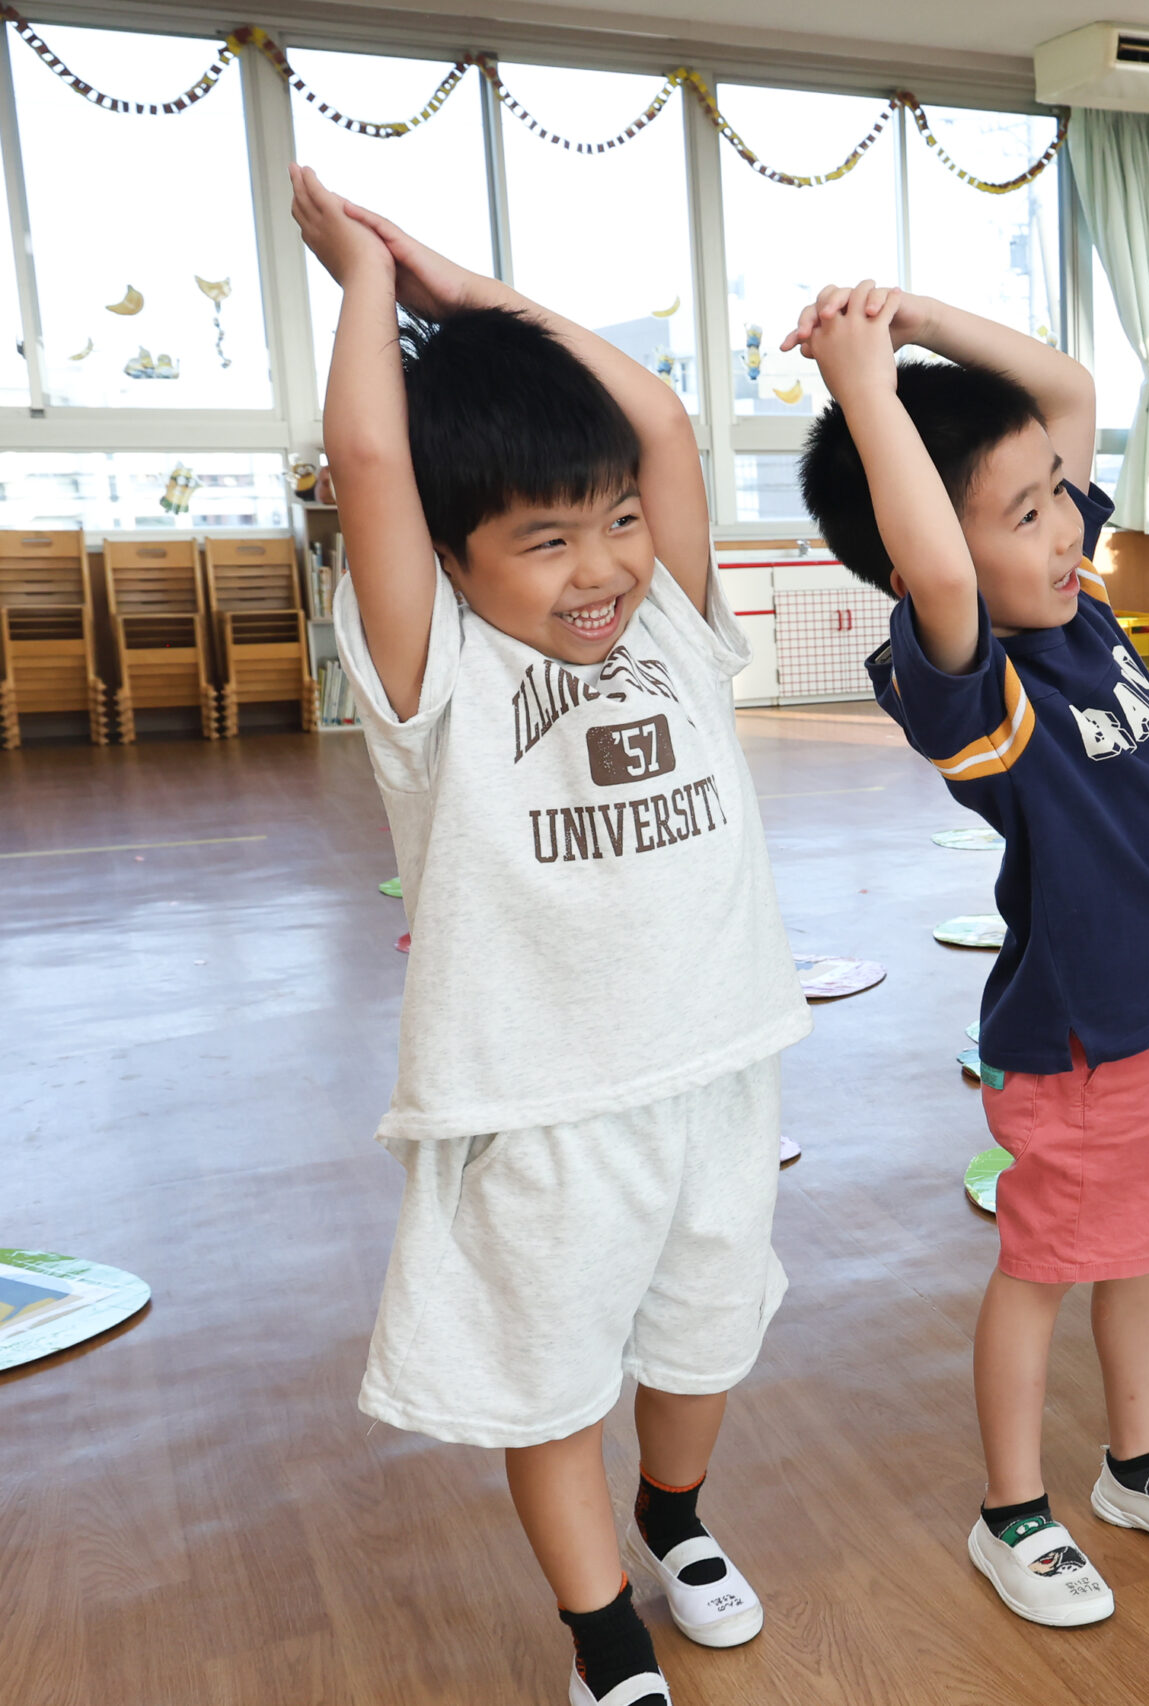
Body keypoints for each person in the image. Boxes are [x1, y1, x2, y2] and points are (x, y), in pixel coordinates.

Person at [295, 166, 809, 1706]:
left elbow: (660, 419)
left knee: (705, 1342)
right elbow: (369, 456)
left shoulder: (674, 629)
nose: (602, 569)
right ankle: (605, 1639)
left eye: (619, 523)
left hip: (718, 1068)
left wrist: (475, 295)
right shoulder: (436, 674)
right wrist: (368, 286)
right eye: (546, 539)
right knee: (553, 1375)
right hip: (539, 1105)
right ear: (455, 557)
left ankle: (676, 1515)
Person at [791, 281, 1149, 1628]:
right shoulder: (972, 675)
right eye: (1026, 511)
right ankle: (1012, 1511)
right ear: (930, 551)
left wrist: (917, 321)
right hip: (1082, 1038)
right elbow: (940, 571)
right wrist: (863, 386)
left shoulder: (1072, 606)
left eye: (1061, 496)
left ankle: (1136, 1462)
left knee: (1139, 1246)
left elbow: (1067, 391)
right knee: (1047, 1267)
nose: (1064, 526)